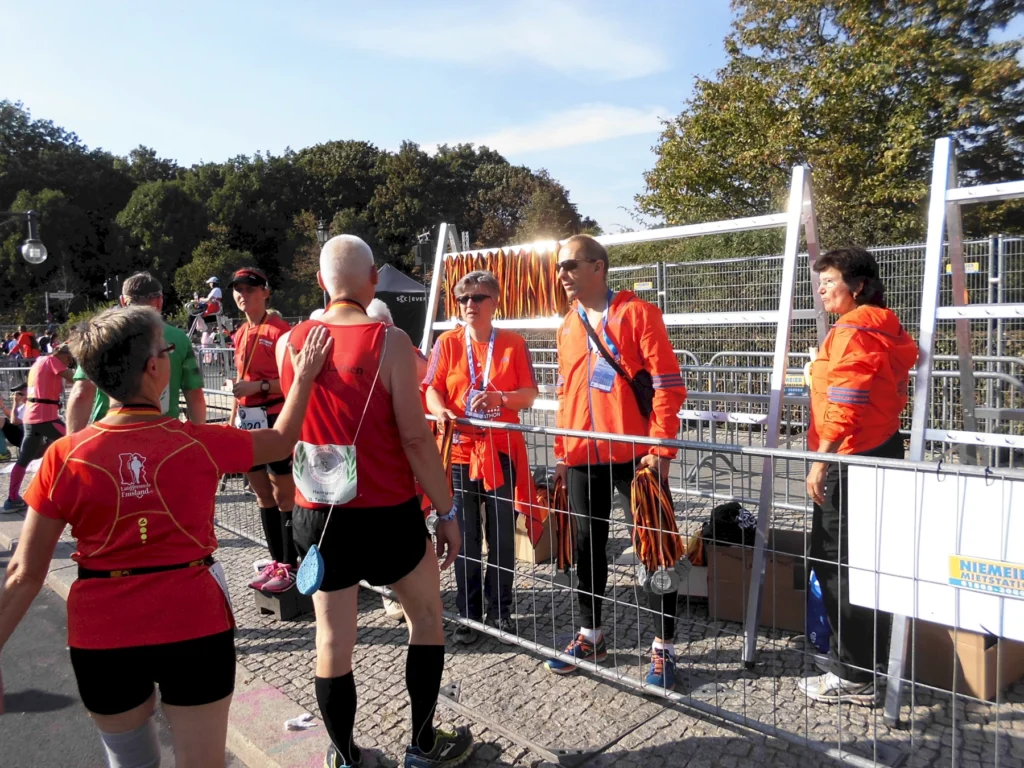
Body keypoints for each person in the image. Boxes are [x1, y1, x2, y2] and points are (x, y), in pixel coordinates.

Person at [0, 304, 331, 765]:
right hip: (193, 622)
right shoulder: (197, 440)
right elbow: (281, 439)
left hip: (103, 628)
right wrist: (306, 375)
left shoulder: (65, 456)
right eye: (166, 349)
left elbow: (22, 573)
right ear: (155, 367)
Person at [280, 234, 473, 768]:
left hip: (319, 514)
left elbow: (289, 427)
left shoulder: (290, 341)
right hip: (388, 512)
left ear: (321, 281)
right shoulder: (388, 341)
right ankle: (424, 743)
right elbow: (415, 439)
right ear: (371, 281)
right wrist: (447, 510)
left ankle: (344, 756)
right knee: (426, 617)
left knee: (332, 640)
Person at [546, 234, 688, 689]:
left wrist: (660, 450)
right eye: (559, 267)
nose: (562, 275)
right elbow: (566, 393)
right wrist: (563, 453)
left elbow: (667, 383)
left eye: (570, 265)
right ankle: (591, 635)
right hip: (585, 456)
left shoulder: (638, 314)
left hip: (637, 458)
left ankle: (663, 647)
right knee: (587, 548)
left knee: (654, 550)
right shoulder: (568, 324)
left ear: (598, 267)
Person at [799, 246, 917, 704]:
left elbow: (846, 401)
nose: (823, 289)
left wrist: (822, 460)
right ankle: (865, 660)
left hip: (850, 455)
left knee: (835, 561)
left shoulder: (851, 331)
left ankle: (853, 674)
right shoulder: (885, 326)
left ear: (859, 286)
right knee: (868, 560)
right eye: (821, 281)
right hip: (882, 449)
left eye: (831, 281)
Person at [424, 270, 540, 644]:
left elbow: (529, 394)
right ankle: (469, 615)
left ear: (495, 302)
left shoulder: (513, 343)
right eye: (463, 299)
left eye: (477, 298)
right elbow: (431, 389)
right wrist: (440, 410)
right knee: (466, 537)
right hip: (459, 453)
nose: (469, 305)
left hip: (499, 452)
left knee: (502, 536)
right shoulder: (447, 343)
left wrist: (501, 399)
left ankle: (501, 610)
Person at [67, 272, 207, 433]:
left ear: (123, 301)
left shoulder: (103, 334)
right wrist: (198, 438)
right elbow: (195, 395)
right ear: (159, 301)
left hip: (108, 435)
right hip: (165, 435)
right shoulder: (179, 339)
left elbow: (81, 393)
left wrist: (72, 444)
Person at [229, 267, 298, 593]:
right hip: (248, 420)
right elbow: (240, 380)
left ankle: (291, 565)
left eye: (250, 289)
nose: (243, 295)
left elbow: (294, 381)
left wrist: (259, 384)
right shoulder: (240, 333)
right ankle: (275, 561)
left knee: (285, 494)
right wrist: (233, 417)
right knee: (261, 493)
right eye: (238, 290)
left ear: (265, 292)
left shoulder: (280, 331)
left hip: (274, 419)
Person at [4, 345, 76, 511]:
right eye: (69, 359)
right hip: (46, 417)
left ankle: (12, 499)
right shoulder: (52, 360)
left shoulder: (39, 362)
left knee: (24, 460)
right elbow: (72, 377)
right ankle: (78, 492)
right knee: (76, 445)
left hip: (31, 418)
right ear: (61, 354)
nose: (69, 363)